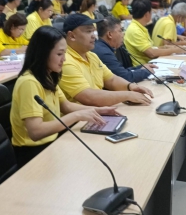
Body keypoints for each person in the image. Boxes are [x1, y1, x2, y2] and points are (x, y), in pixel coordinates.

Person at [10, 26, 119, 168]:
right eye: (59, 54)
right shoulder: (29, 82)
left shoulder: (48, 75)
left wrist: (99, 110)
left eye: (65, 53)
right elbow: (36, 132)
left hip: (53, 141)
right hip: (33, 153)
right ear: (43, 54)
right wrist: (77, 116)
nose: (64, 59)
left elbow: (66, 105)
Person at [59, 13, 153, 106]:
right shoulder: (65, 61)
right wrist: (127, 95)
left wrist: (131, 86)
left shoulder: (91, 56)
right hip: (80, 119)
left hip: (97, 111)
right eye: (88, 31)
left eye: (93, 31)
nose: (93, 36)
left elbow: (111, 79)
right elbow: (89, 97)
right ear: (71, 36)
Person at [93, 16, 157, 82]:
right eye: (120, 31)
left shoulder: (103, 47)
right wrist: (146, 71)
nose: (123, 34)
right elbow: (125, 77)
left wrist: (140, 67)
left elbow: (122, 71)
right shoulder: (104, 53)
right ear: (109, 34)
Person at [124, 0, 186, 66]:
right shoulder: (135, 31)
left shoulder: (139, 27)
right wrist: (176, 50)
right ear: (147, 14)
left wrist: (164, 48)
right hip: (144, 68)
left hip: (150, 64)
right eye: (151, 12)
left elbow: (150, 48)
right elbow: (152, 54)